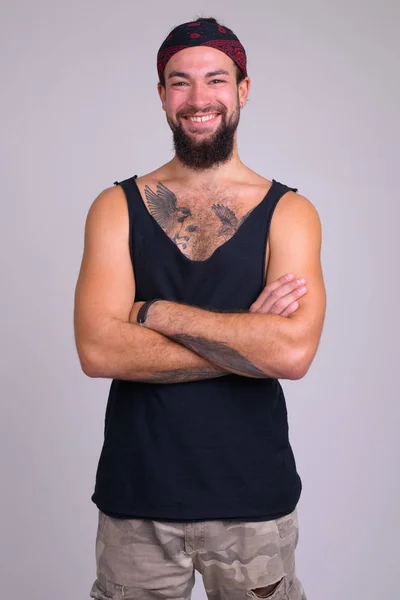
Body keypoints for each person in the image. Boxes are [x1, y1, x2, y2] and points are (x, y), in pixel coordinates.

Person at [74, 16, 326, 600]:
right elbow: (97, 349)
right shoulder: (116, 207)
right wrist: (246, 342)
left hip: (253, 499)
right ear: (162, 96)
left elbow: (291, 353)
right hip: (137, 497)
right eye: (179, 82)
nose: (197, 98)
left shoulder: (290, 213)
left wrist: (155, 311)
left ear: (242, 89)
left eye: (215, 79)